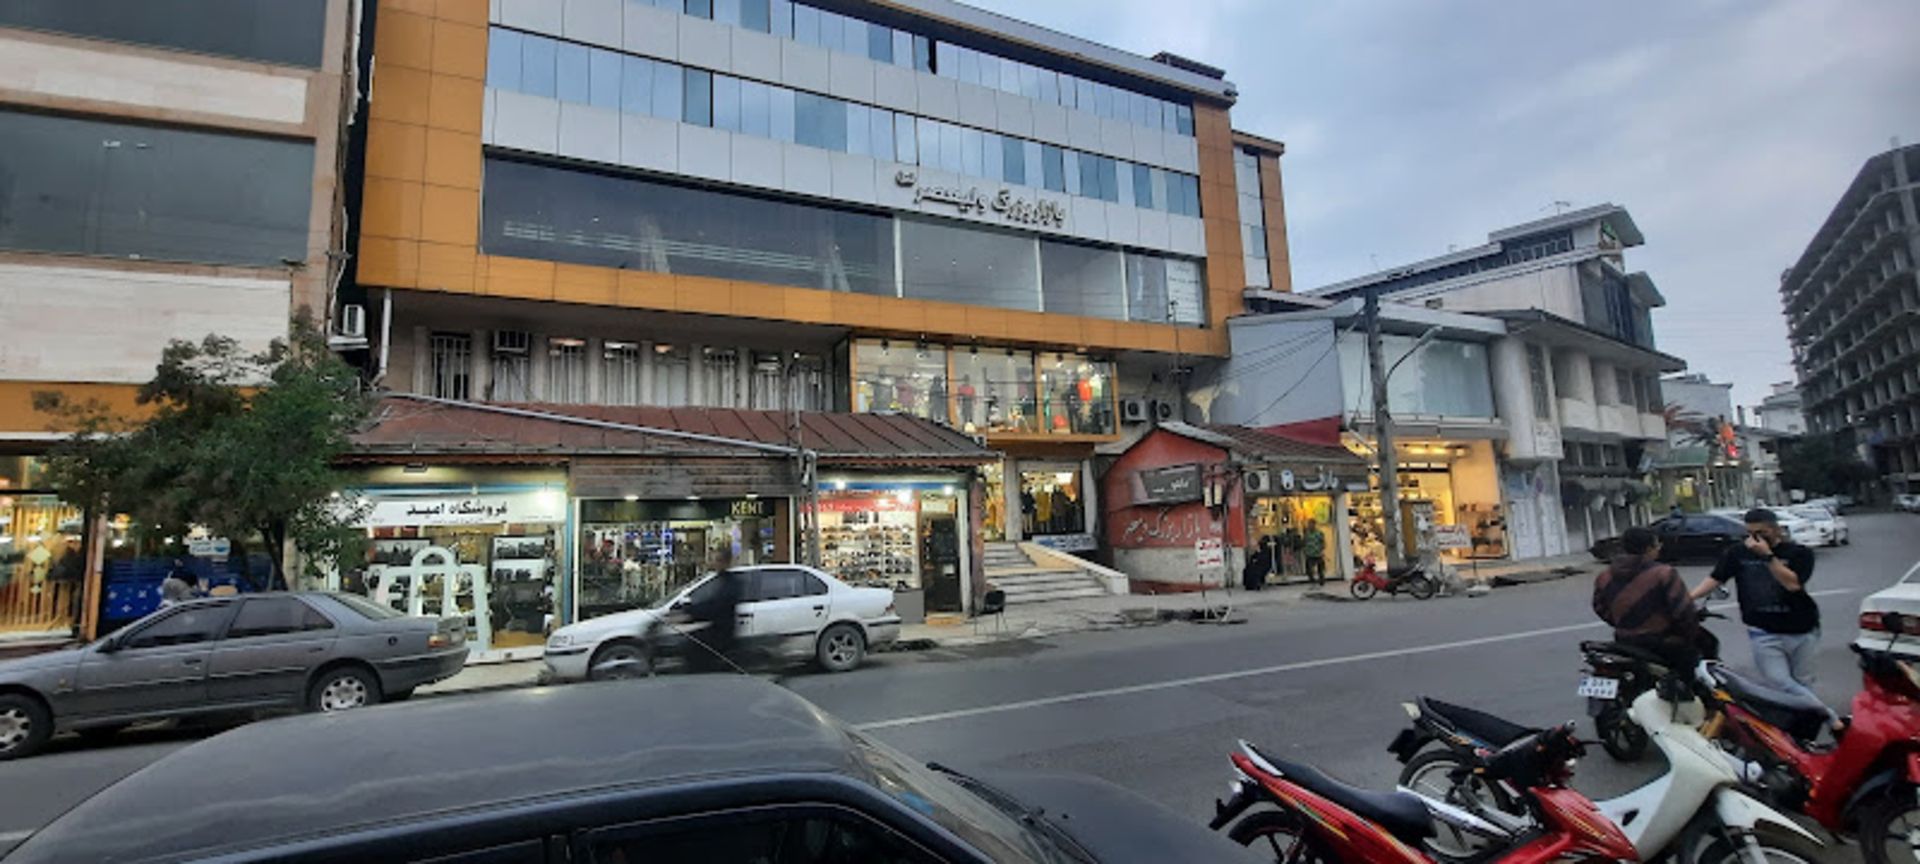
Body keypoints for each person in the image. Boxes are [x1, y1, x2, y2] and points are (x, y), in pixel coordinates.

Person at [1689, 507, 1839, 729]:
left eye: (1761, 532)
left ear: (1776, 529)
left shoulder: (1799, 553)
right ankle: (1829, 718)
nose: (1755, 538)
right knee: (1780, 682)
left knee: (1802, 683)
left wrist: (1768, 556)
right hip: (1763, 632)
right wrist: (1687, 598)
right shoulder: (1737, 553)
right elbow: (1716, 579)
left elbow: (1792, 584)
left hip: (1802, 629)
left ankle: (1804, 727)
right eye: (1750, 533)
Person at [1592, 528, 1710, 670]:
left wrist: (1624, 622)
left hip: (1624, 640)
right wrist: (1687, 633)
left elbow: (1600, 607)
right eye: (1657, 545)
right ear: (1649, 548)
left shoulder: (1605, 576)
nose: (1659, 549)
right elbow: (1683, 612)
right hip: (1662, 642)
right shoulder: (1664, 573)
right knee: (1696, 660)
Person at [680, 567, 745, 673]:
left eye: (717, 560)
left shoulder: (729, 583)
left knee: (694, 647)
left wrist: (689, 613)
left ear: (723, 562)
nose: (713, 563)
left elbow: (715, 606)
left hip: (722, 632)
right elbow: (709, 602)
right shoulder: (721, 580)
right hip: (718, 627)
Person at [1301, 521, 1328, 587]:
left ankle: (1321, 580)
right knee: (1309, 569)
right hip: (1309, 553)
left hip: (1317, 553)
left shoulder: (1319, 533)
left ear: (1314, 525)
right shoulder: (1307, 533)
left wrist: (1321, 549)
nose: (1310, 526)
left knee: (1320, 569)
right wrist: (1305, 549)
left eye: (1311, 524)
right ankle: (1312, 580)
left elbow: (1323, 542)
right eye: (1309, 524)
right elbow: (1304, 541)